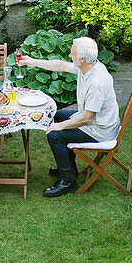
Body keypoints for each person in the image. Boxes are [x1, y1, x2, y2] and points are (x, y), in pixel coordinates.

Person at [16, 36, 120, 197]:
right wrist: (32, 61)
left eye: (73, 53)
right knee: (58, 116)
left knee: (55, 135)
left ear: (82, 59)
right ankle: (69, 169)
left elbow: (86, 118)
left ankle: (67, 181)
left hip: (100, 130)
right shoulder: (88, 67)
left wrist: (60, 126)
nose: (70, 55)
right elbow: (62, 65)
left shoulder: (97, 82)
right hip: (96, 121)